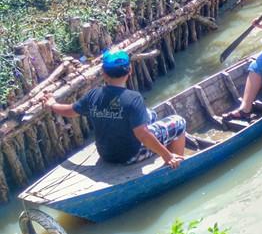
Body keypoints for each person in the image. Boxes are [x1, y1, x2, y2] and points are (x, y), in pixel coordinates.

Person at [43, 50, 186, 169]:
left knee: (150, 114)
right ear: (130, 71)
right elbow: (143, 135)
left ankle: (165, 150)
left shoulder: (94, 94)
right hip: (130, 155)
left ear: (104, 74)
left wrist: (51, 104)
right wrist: (167, 155)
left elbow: (70, 111)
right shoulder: (133, 98)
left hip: (106, 154)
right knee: (179, 122)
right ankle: (175, 164)